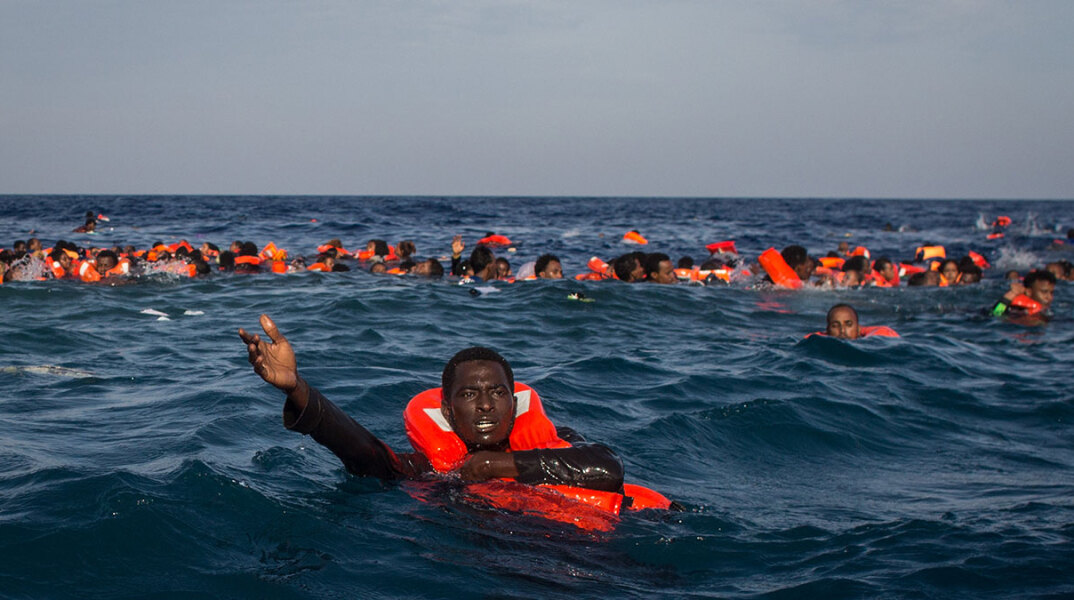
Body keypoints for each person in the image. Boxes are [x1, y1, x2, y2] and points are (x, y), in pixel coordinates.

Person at [237, 315, 670, 520]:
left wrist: (495, 466)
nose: (485, 405)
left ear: (514, 401)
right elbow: (363, 452)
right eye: (469, 394)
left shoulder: (552, 442)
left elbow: (608, 469)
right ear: (447, 410)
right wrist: (297, 389)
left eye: (497, 393)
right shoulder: (430, 470)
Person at [991, 270, 1056, 322]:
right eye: (1044, 292)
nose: (1049, 297)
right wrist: (1011, 295)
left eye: (1051, 293)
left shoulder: (1047, 312)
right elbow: (995, 314)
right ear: (1029, 292)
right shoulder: (1016, 311)